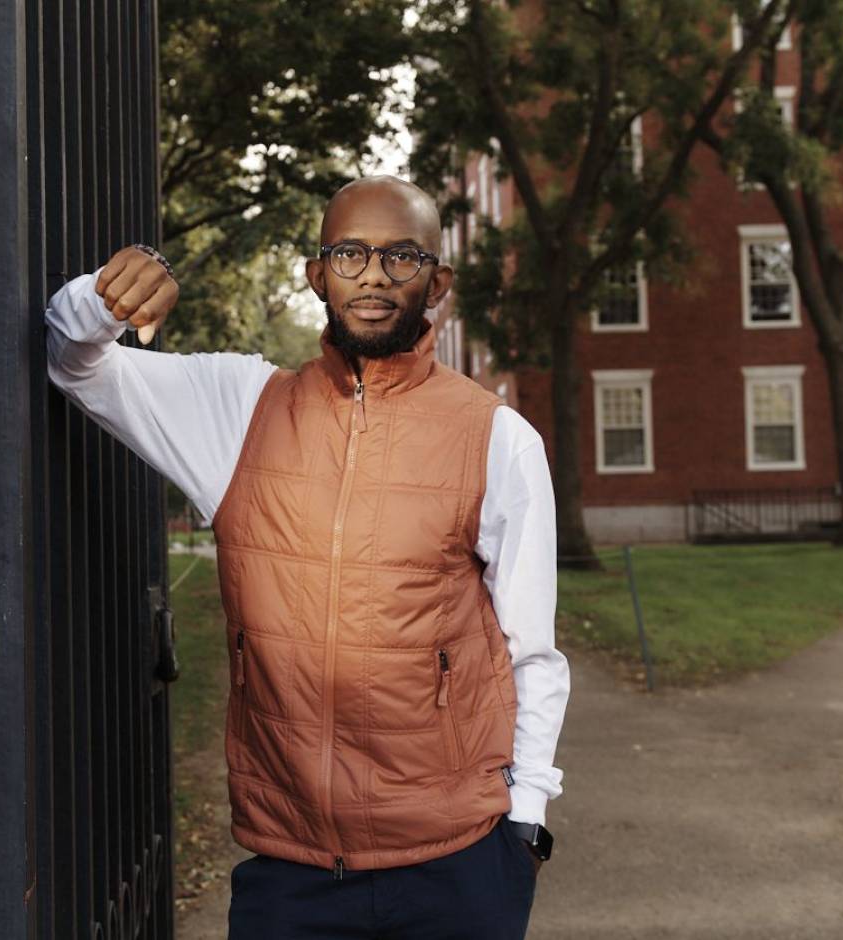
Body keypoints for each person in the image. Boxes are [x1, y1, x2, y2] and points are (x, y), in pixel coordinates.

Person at [45, 176, 570, 939]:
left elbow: (532, 653)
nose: (375, 276)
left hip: (457, 865)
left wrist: (525, 825)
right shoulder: (239, 409)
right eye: (350, 254)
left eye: (402, 257)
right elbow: (75, 362)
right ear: (316, 275)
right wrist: (106, 295)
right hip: (292, 870)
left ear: (439, 282)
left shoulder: (497, 438)